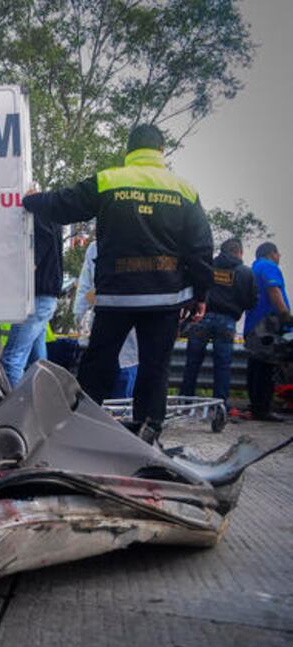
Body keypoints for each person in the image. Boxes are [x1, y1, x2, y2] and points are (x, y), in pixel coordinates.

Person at [23, 124, 213, 440]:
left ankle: (81, 429)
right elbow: (201, 248)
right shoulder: (184, 190)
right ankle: (147, 433)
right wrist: (201, 294)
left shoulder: (109, 180)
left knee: (98, 363)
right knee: (155, 368)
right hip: (164, 299)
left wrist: (33, 201)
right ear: (161, 151)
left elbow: (63, 204)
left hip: (116, 298)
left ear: (130, 150)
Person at [180, 237, 256, 408]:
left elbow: (192, 286)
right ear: (239, 252)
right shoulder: (245, 273)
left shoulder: (207, 266)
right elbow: (252, 301)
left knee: (192, 363)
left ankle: (184, 403)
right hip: (227, 321)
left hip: (201, 317)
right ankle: (220, 406)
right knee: (223, 366)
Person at [0, 209, 62, 386]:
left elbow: (40, 244)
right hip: (44, 297)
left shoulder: (38, 216)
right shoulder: (51, 215)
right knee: (38, 363)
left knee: (11, 360)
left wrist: (27, 265)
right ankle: (43, 399)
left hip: (35, 298)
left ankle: (17, 403)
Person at [74, 240, 139, 398]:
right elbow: (85, 284)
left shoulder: (137, 244)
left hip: (125, 321)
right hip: (105, 318)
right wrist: (80, 313)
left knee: (123, 372)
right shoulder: (95, 247)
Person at [243, 242, 290, 421]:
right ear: (272, 253)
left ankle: (256, 406)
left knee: (255, 366)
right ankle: (263, 409)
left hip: (253, 324)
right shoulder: (268, 266)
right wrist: (285, 315)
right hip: (267, 325)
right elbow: (274, 289)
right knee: (267, 366)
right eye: (278, 254)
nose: (279, 257)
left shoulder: (253, 269)